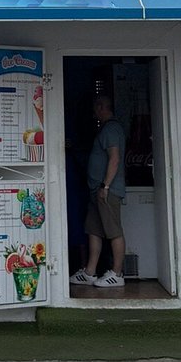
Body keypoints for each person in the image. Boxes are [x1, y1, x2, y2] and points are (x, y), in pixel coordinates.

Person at [70, 94, 126, 288]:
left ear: (102, 107)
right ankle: (90, 272)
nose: (94, 112)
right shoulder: (106, 129)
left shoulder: (112, 129)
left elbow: (114, 158)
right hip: (96, 190)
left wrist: (105, 186)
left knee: (114, 231)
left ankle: (117, 274)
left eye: (96, 107)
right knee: (93, 230)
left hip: (107, 190)